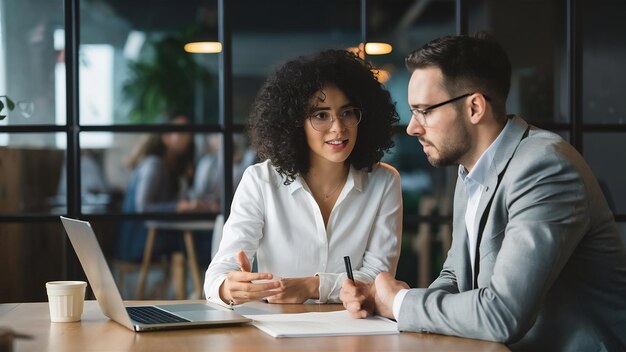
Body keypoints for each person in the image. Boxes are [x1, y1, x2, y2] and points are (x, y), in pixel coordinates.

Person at [340, 33, 626, 351]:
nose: (412, 127)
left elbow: (502, 314)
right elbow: (455, 275)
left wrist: (399, 302)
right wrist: (390, 302)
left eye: (424, 111)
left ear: (475, 107)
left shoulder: (545, 168)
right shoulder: (471, 169)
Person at [204, 49, 402, 305]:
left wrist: (312, 286)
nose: (338, 128)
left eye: (347, 112)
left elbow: (380, 277)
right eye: (321, 115)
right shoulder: (260, 181)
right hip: (277, 334)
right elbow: (218, 275)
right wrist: (229, 289)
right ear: (295, 122)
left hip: (353, 332)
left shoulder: (384, 182)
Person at [116, 113, 207, 262]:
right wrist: (179, 206)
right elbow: (143, 207)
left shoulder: (172, 167)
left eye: (189, 132)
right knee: (202, 242)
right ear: (165, 137)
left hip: (154, 239)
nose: (188, 136)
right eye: (182, 131)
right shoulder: (154, 165)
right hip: (138, 243)